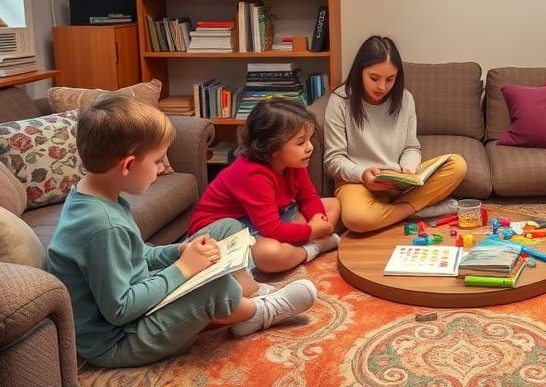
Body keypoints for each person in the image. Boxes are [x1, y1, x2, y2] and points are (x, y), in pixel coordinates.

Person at [47, 95, 319, 368]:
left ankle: (249, 291)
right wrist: (183, 270)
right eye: (156, 161)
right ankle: (259, 312)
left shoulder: (99, 195)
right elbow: (120, 310)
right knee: (214, 284)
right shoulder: (102, 225)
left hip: (136, 312)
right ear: (128, 165)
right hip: (120, 342)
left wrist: (179, 251)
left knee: (228, 228)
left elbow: (139, 255)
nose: (163, 167)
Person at [323, 35, 468, 233]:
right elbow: (333, 160)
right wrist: (362, 174)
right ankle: (416, 212)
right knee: (357, 218)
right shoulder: (340, 100)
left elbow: (411, 147)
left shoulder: (405, 99)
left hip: (399, 182)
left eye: (390, 79)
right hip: (358, 183)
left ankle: (388, 214)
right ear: (359, 72)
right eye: (374, 78)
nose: (382, 87)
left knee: (457, 165)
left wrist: (408, 169)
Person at [188, 97, 342, 273]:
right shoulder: (251, 174)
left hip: (261, 221)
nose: (309, 148)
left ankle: (297, 249)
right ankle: (312, 249)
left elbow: (308, 198)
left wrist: (316, 219)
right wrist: (312, 232)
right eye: (301, 142)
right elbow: (272, 229)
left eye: (309, 139)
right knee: (269, 253)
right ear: (273, 148)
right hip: (219, 234)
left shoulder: (294, 161)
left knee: (333, 205)